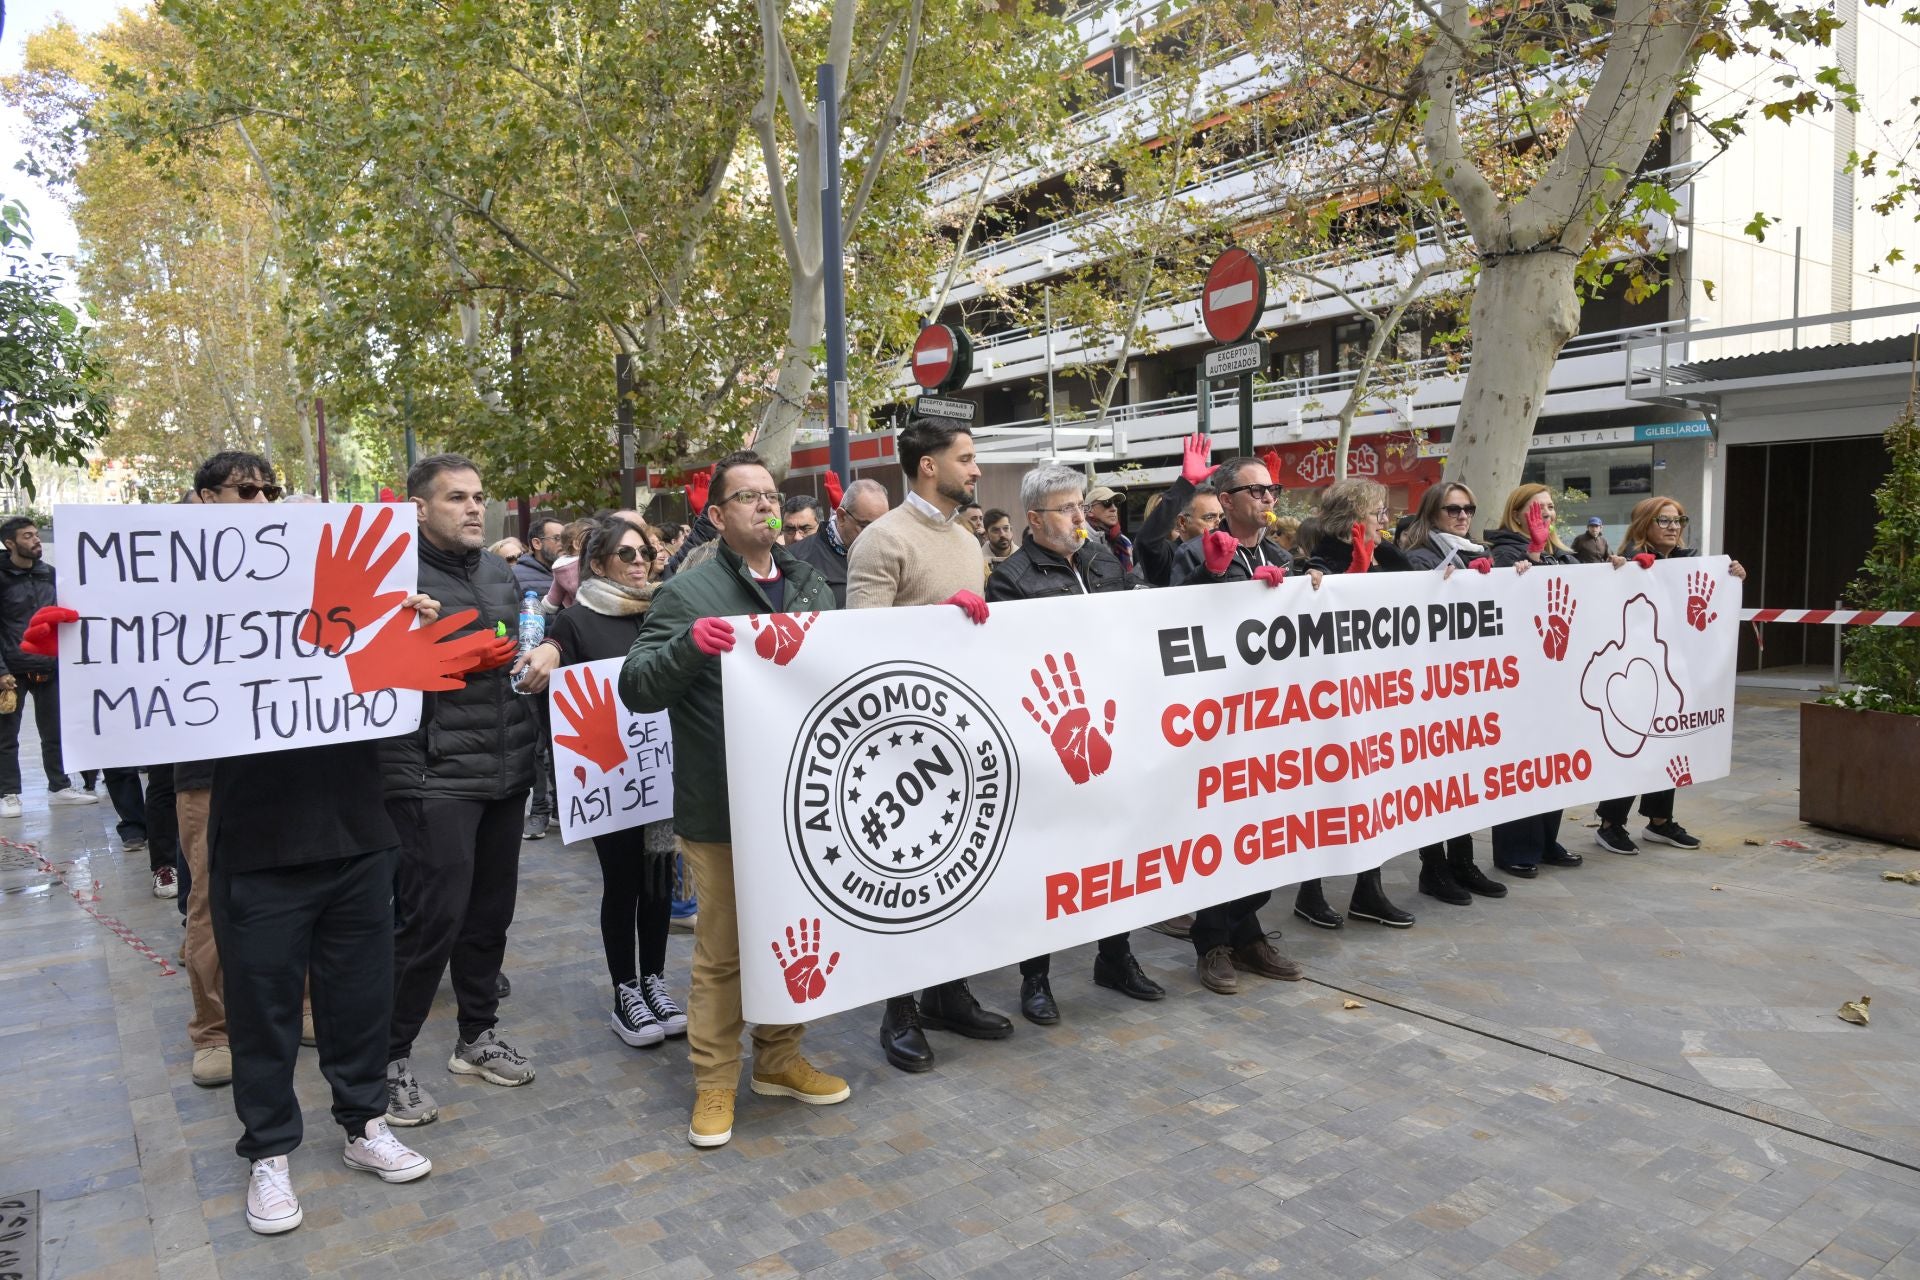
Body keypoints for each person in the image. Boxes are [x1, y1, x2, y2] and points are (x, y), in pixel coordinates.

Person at [189, 452, 495, 1233]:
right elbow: (169, 721)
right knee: (263, 1011)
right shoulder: (186, 598)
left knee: (359, 997)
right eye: (244, 491)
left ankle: (364, 1125)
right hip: (259, 841)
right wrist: (91, 656)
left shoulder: (355, 595)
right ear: (206, 504)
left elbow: (394, 707)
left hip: (359, 830)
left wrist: (407, 643)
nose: (260, 501)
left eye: (270, 490)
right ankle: (269, 1154)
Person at [619, 449, 849, 1149]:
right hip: (719, 810)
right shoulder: (687, 596)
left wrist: (949, 622)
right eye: (747, 497)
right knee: (721, 953)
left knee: (790, 937)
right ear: (717, 516)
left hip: (802, 808)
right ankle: (715, 1080)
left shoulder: (813, 584)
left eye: (771, 494)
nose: (764, 505)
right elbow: (637, 689)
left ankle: (778, 1058)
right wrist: (688, 647)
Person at [382, 455, 542, 1128]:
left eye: (479, 497)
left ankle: (475, 1037)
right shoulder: (393, 576)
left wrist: (548, 652)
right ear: (420, 508)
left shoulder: (498, 570)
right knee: (430, 922)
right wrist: (401, 636)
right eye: (457, 498)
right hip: (433, 773)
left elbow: (519, 634)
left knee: (488, 916)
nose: (475, 508)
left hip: (505, 769)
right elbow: (357, 667)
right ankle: (385, 1060)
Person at [846, 419, 1009, 1072]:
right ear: (928, 468)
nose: (976, 470)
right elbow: (859, 644)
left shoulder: (967, 539)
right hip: (900, 748)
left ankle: (948, 994)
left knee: (962, 874)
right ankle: (898, 1012)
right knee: (907, 880)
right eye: (966, 459)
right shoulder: (882, 541)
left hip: (963, 733)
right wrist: (940, 619)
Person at [987, 464, 1164, 1023]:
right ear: (1034, 519)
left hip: (1111, 727)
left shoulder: (1102, 559)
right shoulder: (1010, 578)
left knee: (1114, 846)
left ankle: (1116, 956)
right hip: (1051, 738)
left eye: (1081, 506)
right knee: (1047, 858)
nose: (1079, 518)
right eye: (1067, 509)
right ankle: (1035, 978)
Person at [515, 516, 688, 1048]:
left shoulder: (663, 611)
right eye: (626, 556)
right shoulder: (577, 621)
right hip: (611, 780)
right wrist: (544, 651)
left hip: (660, 775)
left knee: (660, 879)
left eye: (646, 554)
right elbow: (548, 665)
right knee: (624, 883)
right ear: (597, 565)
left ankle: (654, 979)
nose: (640, 563)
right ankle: (625, 991)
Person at [1174, 456, 1320, 992]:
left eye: (1272, 490)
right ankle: (1214, 940)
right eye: (1255, 490)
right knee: (1224, 837)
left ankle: (1246, 925)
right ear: (1226, 499)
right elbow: (1171, 622)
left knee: (1272, 835)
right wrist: (1212, 576)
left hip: (1275, 723)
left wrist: (1320, 584)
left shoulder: (1283, 555)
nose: (1267, 499)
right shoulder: (1195, 550)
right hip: (1217, 725)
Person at [1290, 479, 1418, 931]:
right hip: (1328, 707)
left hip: (1373, 698)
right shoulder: (1319, 560)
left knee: (1373, 795)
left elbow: (1414, 584)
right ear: (1353, 517)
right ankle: (1310, 892)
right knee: (1324, 798)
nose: (1385, 520)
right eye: (1376, 512)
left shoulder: (1380, 550)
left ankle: (1369, 890)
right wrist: (1354, 574)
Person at [1592, 497, 1747, 855]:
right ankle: (1610, 823)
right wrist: (1620, 569)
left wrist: (1733, 577)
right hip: (1636, 669)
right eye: (1664, 520)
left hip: (1677, 668)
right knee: (1634, 746)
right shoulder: (1624, 561)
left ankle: (1660, 821)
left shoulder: (1690, 564)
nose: (1673, 527)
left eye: (1679, 520)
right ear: (1644, 523)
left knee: (1670, 744)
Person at [1394, 483, 1509, 906]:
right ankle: (1434, 866)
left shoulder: (1475, 550)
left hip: (1470, 683)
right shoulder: (1421, 555)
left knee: (1466, 779)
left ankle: (1463, 861)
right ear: (1432, 514)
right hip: (1432, 687)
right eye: (1453, 509)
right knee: (1436, 783)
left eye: (1469, 508)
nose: (1463, 516)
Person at [1483, 484, 1585, 879]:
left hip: (1557, 679)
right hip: (1519, 681)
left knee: (1553, 765)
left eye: (1551, 507)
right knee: (1522, 767)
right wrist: (1533, 555)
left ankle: (1545, 839)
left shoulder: (1563, 554)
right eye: (1537, 508)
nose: (1547, 514)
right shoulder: (1505, 550)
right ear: (1517, 512)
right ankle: (1515, 848)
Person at [0, 516, 98, 819]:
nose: (35, 540)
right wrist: (1, 670)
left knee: (55, 731)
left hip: (50, 668)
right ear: (10, 543)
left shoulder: (50, 575)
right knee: (6, 737)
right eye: (27, 536)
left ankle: (59, 787)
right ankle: (8, 793)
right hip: (11, 672)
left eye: (35, 535)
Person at [514, 513, 564, 842]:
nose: (562, 544)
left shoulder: (566, 573)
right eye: (556, 538)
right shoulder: (518, 577)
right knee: (537, 745)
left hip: (564, 672)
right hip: (532, 674)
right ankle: (540, 810)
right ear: (536, 543)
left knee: (560, 743)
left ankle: (563, 806)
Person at [1135, 433, 1223, 588]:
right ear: (1182, 522)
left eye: (1221, 516)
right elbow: (1146, 541)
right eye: (1209, 517)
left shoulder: (1232, 552)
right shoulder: (1169, 555)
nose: (1218, 523)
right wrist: (1185, 483)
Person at [789, 477, 889, 608]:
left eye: (883, 526)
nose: (876, 536)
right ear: (841, 517)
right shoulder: (797, 560)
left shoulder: (891, 553)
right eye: (866, 527)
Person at [981, 508, 1017, 576]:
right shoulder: (978, 562)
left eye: (1006, 528)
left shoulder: (1024, 559)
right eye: (995, 530)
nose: (1002, 534)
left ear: (1011, 530)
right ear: (986, 534)